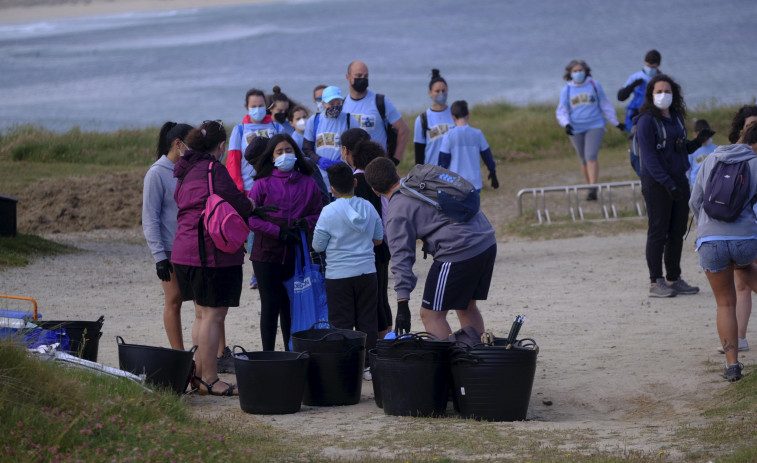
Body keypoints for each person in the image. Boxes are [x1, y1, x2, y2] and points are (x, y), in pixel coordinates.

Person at [364, 157, 497, 340]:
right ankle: (477, 358)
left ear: (375, 190)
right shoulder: (421, 181)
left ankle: (446, 364)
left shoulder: (396, 211)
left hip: (458, 250)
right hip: (486, 239)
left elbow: (401, 257)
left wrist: (403, 303)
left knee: (431, 315)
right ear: (397, 174)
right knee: (466, 306)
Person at [171, 120, 256, 396]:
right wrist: (253, 205)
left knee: (200, 315)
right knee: (213, 316)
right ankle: (210, 379)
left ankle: (198, 375)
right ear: (221, 146)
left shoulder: (185, 170)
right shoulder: (213, 169)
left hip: (183, 252)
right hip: (208, 254)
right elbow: (239, 202)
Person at [689, 122, 757, 382]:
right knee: (744, 267)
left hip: (711, 241)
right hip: (745, 240)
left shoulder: (711, 158)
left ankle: (732, 365)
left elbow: (694, 201)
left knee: (725, 303)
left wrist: (706, 228)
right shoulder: (755, 163)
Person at [637, 74, 712, 297]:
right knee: (658, 231)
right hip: (657, 184)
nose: (663, 95)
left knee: (677, 231)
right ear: (651, 95)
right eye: (659, 92)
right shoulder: (646, 121)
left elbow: (679, 149)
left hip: (678, 181)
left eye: (667, 91)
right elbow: (649, 158)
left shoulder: (677, 117)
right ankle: (655, 282)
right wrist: (668, 183)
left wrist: (697, 143)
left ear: (674, 93)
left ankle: (673, 278)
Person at [248, 134, 323, 351]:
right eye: (279, 152)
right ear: (272, 158)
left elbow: (318, 213)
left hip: (295, 253)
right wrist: (277, 232)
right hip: (266, 254)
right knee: (270, 305)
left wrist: (305, 223)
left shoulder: (308, 182)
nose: (285, 155)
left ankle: (291, 353)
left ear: (296, 154)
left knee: (290, 307)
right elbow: (251, 218)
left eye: (288, 150)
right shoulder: (261, 184)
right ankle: (268, 354)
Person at [312, 162, 383, 377]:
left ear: (331, 188)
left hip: (338, 275)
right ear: (354, 182)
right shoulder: (368, 207)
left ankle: (344, 364)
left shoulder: (327, 212)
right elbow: (378, 240)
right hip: (367, 272)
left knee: (341, 323)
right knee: (368, 321)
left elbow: (317, 246)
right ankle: (368, 365)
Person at [142, 122, 193, 351]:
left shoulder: (188, 169)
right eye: (191, 144)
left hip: (190, 245)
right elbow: (150, 218)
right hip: (170, 248)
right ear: (177, 143)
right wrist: (159, 256)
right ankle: (178, 353)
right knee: (174, 300)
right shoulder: (156, 173)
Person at [342, 134, 393, 337]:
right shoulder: (380, 177)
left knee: (375, 299)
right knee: (382, 295)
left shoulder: (358, 180)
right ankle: (389, 337)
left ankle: (381, 344)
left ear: (348, 152)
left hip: (370, 245)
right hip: (385, 243)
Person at [556, 59, 624, 200]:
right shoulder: (567, 90)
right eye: (575, 71)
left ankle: (593, 188)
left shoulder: (594, 85)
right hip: (576, 127)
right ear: (570, 74)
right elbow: (562, 110)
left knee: (591, 156)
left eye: (580, 70)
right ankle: (589, 187)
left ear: (586, 71)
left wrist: (615, 122)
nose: (578, 73)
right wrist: (566, 124)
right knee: (583, 159)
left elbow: (605, 104)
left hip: (595, 125)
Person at [724, 106, 757, 354]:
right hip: (745, 226)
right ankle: (740, 337)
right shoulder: (733, 154)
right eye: (749, 125)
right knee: (741, 283)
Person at [342, 60, 409, 164]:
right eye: (359, 75)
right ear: (348, 77)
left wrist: (395, 160)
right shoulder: (342, 105)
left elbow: (403, 130)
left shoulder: (380, 102)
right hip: (351, 168)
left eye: (366, 76)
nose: (363, 79)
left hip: (377, 166)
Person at [302, 86, 359, 188]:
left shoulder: (349, 120)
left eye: (338, 103)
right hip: (321, 178)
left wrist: (344, 161)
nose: (335, 107)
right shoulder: (314, 120)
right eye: (331, 104)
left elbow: (358, 147)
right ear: (323, 103)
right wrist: (319, 160)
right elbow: (307, 148)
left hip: (344, 176)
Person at [227, 88, 281, 194]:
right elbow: (233, 162)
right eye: (253, 106)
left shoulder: (277, 128)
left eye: (260, 106)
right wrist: (238, 189)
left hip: (274, 187)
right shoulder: (239, 130)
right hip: (248, 189)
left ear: (266, 106)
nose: (257, 109)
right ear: (247, 107)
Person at [439, 100, 499, 191]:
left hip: (455, 183)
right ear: (468, 115)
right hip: (474, 183)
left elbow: (443, 161)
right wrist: (492, 172)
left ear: (453, 117)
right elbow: (487, 157)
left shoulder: (448, 135)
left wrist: (440, 181)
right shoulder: (478, 134)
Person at [414, 68, 454, 165]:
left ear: (447, 91)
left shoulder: (455, 114)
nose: (441, 94)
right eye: (437, 91)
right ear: (430, 92)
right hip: (432, 173)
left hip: (454, 172)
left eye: (443, 90)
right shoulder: (423, 119)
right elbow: (419, 152)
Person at [618, 49, 662, 131]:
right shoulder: (636, 77)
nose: (650, 69)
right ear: (644, 62)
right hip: (636, 113)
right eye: (648, 66)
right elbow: (621, 97)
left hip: (654, 114)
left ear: (658, 65)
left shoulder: (661, 80)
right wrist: (633, 85)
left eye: (653, 67)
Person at [687, 119, 717, 189]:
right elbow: (688, 170)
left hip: (711, 186)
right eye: (701, 135)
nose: (704, 138)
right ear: (695, 134)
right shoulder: (691, 150)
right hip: (694, 187)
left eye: (706, 135)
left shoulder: (716, 149)